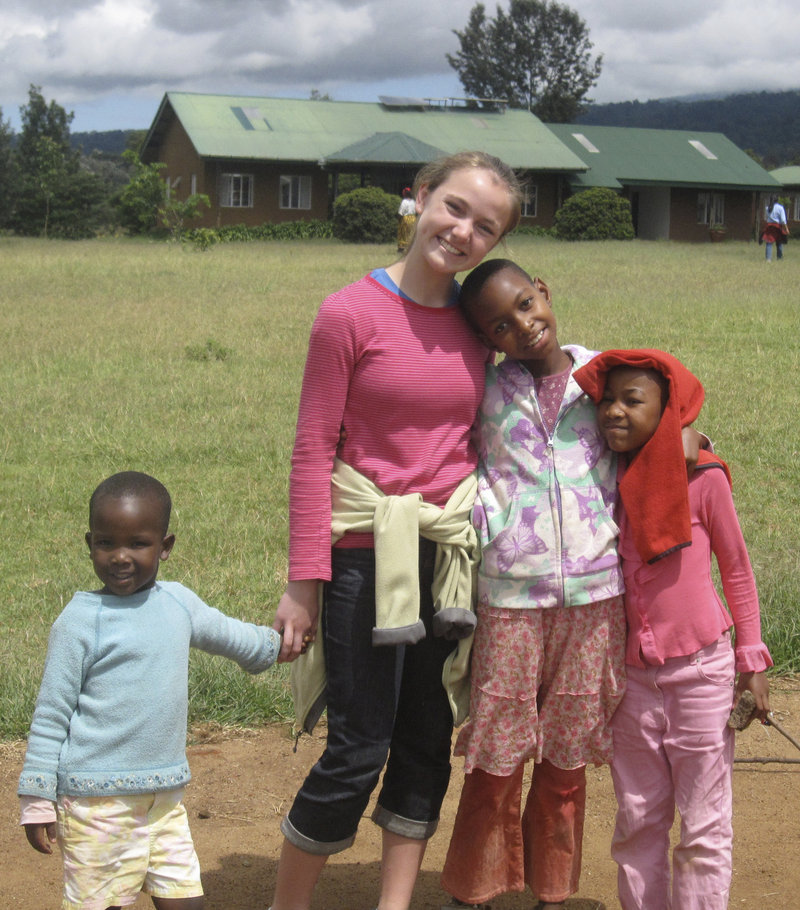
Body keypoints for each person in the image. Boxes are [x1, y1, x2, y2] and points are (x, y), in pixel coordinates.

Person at [269, 152, 524, 910]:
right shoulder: (348, 312)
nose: (463, 231)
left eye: (486, 225)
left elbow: (548, 377)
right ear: (418, 199)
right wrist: (301, 584)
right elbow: (314, 448)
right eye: (453, 207)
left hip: (447, 558)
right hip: (359, 556)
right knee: (356, 746)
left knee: (422, 740)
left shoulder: (483, 323)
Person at [439, 259, 627, 910]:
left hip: (597, 597)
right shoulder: (484, 389)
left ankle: (553, 892)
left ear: (544, 290)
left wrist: (693, 435)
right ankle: (475, 890)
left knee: (567, 761)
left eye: (525, 304)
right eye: (501, 324)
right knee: (496, 755)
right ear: (489, 340)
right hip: (510, 598)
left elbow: (665, 414)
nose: (523, 325)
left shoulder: (606, 377)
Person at [18, 471, 281, 910]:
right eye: (106, 543)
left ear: (165, 546)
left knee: (186, 902)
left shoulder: (178, 603)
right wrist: (36, 797)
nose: (121, 557)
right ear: (89, 543)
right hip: (95, 805)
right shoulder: (80, 621)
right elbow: (51, 714)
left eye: (138, 543)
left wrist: (280, 645)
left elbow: (232, 636)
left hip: (165, 802)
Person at [574, 349, 772, 910]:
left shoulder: (703, 478)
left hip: (703, 674)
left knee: (705, 825)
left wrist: (750, 660)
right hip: (632, 682)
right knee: (637, 819)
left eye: (632, 401)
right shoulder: (602, 476)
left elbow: (736, 569)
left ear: (668, 410)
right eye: (607, 399)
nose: (613, 410)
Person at [761, 194, 788, 261]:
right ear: (777, 200)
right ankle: (779, 258)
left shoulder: (768, 208)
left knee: (769, 243)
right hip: (777, 227)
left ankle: (768, 259)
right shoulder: (780, 208)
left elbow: (767, 218)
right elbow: (783, 220)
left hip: (769, 227)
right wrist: (786, 228)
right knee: (779, 242)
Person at [396, 186, 417, 252]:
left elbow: (401, 212)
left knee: (403, 233)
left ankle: (401, 248)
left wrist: (399, 219)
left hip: (406, 219)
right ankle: (411, 248)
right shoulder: (413, 202)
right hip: (413, 218)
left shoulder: (404, 202)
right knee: (411, 233)